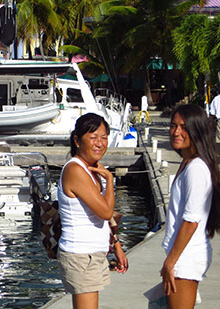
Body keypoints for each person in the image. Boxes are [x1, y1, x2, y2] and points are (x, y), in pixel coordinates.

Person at [57, 113, 128, 308]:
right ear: (77, 140)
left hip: (92, 254)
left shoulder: (93, 167)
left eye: (104, 137)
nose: (99, 143)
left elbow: (104, 217)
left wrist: (116, 245)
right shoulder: (76, 170)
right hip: (81, 256)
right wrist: (110, 180)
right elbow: (105, 212)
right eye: (93, 137)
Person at [161, 104, 220, 308]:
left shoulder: (196, 168)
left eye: (183, 127)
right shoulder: (187, 163)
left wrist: (170, 262)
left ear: (197, 130)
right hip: (183, 255)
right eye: (173, 126)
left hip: (185, 258)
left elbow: (191, 220)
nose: (176, 132)